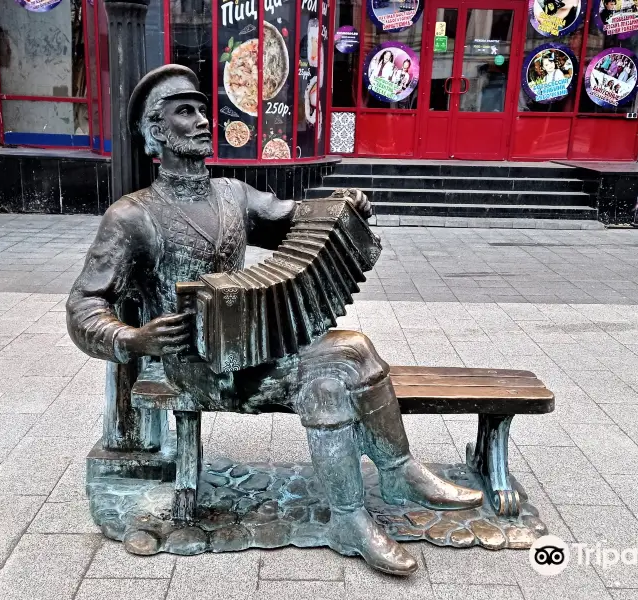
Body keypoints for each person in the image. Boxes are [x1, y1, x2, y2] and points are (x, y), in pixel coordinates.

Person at [66, 64, 483, 577]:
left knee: (350, 352)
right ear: (157, 132)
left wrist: (341, 204)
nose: (202, 121)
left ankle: (386, 483)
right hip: (193, 367)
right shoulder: (132, 216)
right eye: (185, 112)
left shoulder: (233, 194)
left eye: (202, 110)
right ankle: (360, 509)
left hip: (253, 351)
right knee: (334, 373)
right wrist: (133, 337)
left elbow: (294, 215)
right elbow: (83, 307)